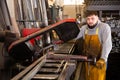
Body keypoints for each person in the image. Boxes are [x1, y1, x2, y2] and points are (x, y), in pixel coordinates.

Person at [74, 11, 112, 80]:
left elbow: (107, 44)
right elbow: (76, 40)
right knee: (88, 77)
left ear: (97, 18)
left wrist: (103, 58)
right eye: (88, 19)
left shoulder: (104, 27)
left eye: (92, 18)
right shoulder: (84, 28)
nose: (90, 21)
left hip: (99, 61)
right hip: (88, 60)